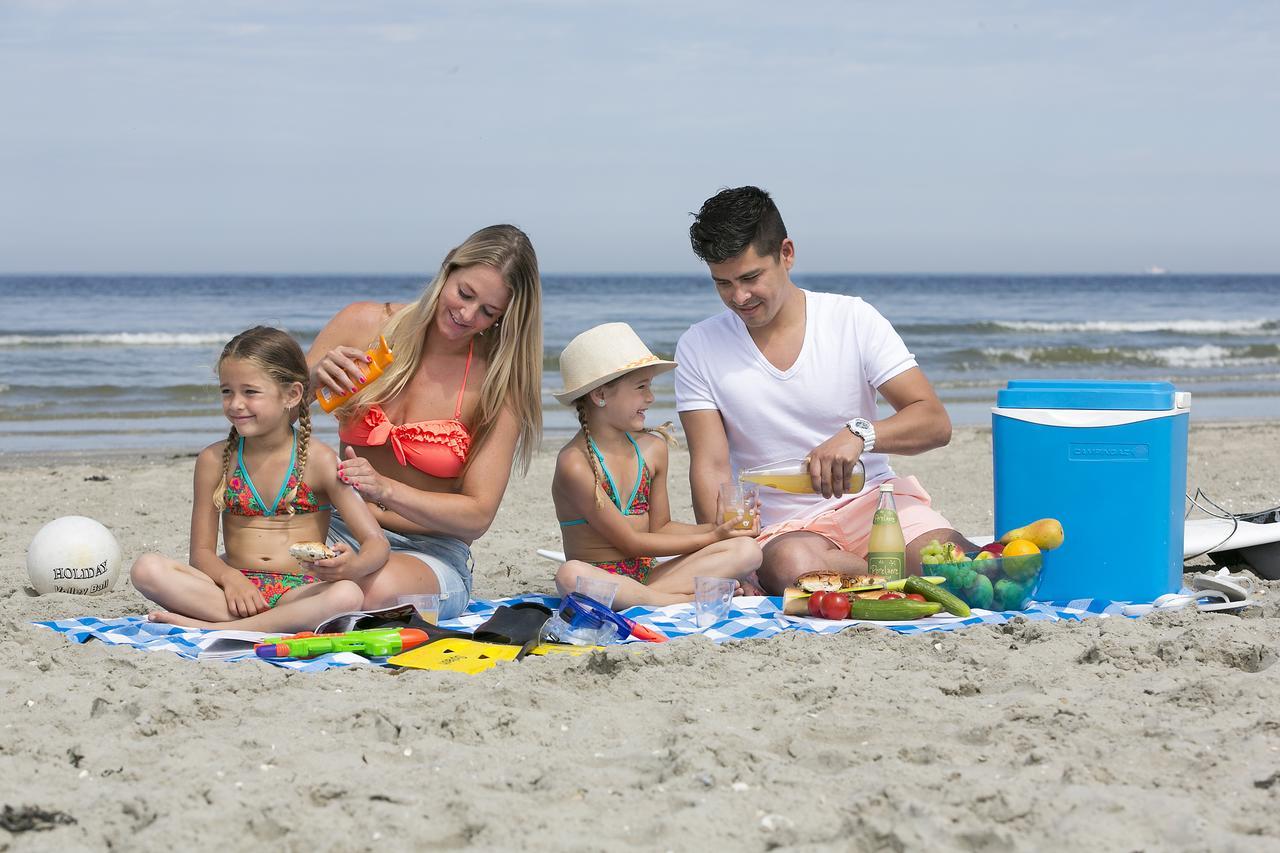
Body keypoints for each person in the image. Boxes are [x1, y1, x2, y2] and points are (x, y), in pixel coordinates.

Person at [675, 186, 973, 594]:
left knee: (954, 561)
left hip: (875, 506)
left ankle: (881, 582)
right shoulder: (699, 345)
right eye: (722, 283)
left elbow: (934, 422)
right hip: (786, 531)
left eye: (750, 277)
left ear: (787, 254)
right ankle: (900, 583)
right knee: (793, 567)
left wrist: (860, 434)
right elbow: (709, 467)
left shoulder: (853, 319)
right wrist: (731, 556)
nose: (739, 297)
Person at [307, 224, 542, 620]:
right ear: (448, 268)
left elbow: (477, 515)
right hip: (336, 525)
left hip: (426, 551)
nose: (467, 315)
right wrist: (309, 378)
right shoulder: (365, 325)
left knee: (374, 593)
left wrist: (386, 489)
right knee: (261, 564)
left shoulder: (498, 383)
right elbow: (267, 412)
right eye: (464, 294)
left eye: (488, 311)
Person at [131, 326, 390, 631]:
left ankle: (223, 628)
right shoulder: (214, 460)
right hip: (233, 591)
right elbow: (201, 554)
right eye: (227, 391)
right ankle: (268, 625)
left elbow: (376, 543)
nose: (235, 404)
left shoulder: (319, 461)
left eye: (250, 392)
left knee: (347, 594)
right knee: (146, 569)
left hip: (298, 592)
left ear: (292, 395)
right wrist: (231, 580)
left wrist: (352, 566)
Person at [550, 323, 762, 609]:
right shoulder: (574, 463)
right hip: (603, 579)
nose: (650, 397)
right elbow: (631, 544)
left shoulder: (652, 449)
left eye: (650, 387)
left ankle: (653, 599)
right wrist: (712, 537)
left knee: (747, 550)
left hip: (649, 578)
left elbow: (660, 527)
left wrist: (721, 528)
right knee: (570, 574)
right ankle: (674, 600)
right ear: (600, 395)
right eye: (641, 387)